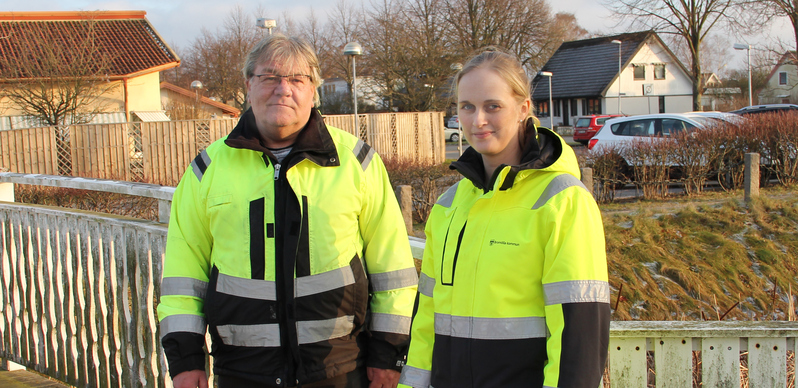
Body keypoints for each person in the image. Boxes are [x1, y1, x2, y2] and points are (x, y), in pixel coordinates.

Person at [157, 34, 418, 388]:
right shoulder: (207, 170)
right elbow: (182, 277)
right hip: (241, 372)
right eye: (270, 77)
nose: (284, 89)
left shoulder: (356, 163)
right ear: (248, 85)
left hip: (340, 370)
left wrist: (388, 355)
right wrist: (186, 361)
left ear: (314, 91)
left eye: (298, 79)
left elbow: (394, 271)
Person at [398, 48, 610, 388]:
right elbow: (426, 323)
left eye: (492, 106)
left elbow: (578, 341)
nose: (477, 120)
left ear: (523, 109)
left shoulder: (562, 201)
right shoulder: (449, 205)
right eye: (466, 106)